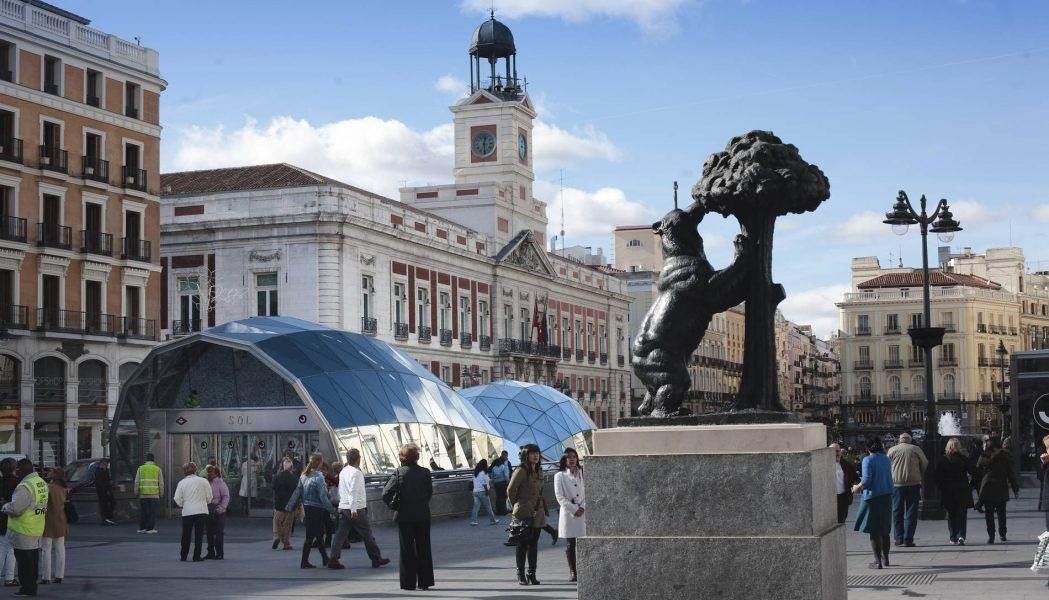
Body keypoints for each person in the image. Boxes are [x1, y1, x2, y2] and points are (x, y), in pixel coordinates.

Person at [328, 449, 390, 570]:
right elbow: (353, 492)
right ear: (358, 459)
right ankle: (376, 558)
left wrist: (343, 504)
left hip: (343, 507)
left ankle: (333, 559)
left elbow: (342, 489)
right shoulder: (356, 473)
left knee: (340, 534)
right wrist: (354, 510)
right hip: (356, 508)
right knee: (367, 534)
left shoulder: (343, 471)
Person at [383, 442, 434, 591]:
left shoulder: (398, 473)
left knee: (407, 550)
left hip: (404, 517)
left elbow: (386, 493)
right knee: (424, 548)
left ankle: (408, 583)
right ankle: (425, 582)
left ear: (402, 457)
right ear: (417, 457)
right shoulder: (425, 472)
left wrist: (395, 506)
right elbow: (429, 493)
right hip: (423, 515)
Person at [1, 458, 48, 597]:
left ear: (21, 470)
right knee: (33, 560)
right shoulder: (40, 482)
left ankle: (27, 589)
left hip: (23, 528)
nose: (16, 472)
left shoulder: (25, 486)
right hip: (36, 526)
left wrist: (4, 506)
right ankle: (32, 586)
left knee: (24, 562)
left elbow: (16, 508)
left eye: (18, 469)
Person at [508, 443, 548, 585]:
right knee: (522, 543)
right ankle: (520, 573)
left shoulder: (539, 470)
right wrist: (518, 506)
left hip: (537, 512)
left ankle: (532, 573)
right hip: (524, 512)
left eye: (537, 453)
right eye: (532, 453)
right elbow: (510, 490)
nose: (536, 455)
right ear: (526, 455)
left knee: (534, 543)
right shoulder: (521, 471)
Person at [285, 452, 334, 569]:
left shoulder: (304, 475)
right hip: (316, 509)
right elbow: (323, 497)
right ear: (320, 463)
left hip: (307, 509)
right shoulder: (319, 477)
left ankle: (323, 558)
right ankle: (308, 561)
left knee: (316, 534)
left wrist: (289, 506)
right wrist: (333, 510)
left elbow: (297, 493)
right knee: (312, 536)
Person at [852, 437, 893, 569]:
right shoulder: (886, 459)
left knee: (874, 531)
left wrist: (856, 488)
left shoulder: (867, 460)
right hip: (887, 496)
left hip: (873, 498)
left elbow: (867, 480)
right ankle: (886, 558)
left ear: (868, 448)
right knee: (885, 530)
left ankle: (877, 562)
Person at [975, 435, 1019, 544]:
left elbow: (977, 471)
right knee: (1001, 513)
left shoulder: (984, 455)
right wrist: (1015, 488)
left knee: (989, 514)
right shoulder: (1004, 455)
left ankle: (991, 536)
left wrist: (977, 484)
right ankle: (1002, 534)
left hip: (988, 488)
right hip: (1001, 487)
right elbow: (1010, 473)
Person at [886, 432, 927, 547]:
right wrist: (918, 473)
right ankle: (908, 539)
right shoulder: (916, 449)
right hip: (913, 484)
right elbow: (925, 463)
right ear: (910, 440)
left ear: (899, 440)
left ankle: (899, 538)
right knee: (911, 512)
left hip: (896, 485)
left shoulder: (892, 450)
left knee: (897, 511)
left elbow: (887, 465)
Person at [934, 437, 974, 545]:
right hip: (962, 490)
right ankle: (961, 536)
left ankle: (953, 537)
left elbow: (937, 477)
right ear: (959, 447)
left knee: (951, 515)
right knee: (961, 514)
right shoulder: (964, 459)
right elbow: (974, 472)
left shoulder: (943, 460)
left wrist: (941, 487)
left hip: (948, 491)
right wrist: (970, 486)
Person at [554, 448, 585, 583]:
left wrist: (583, 507)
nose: (572, 459)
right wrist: (573, 509)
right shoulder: (560, 476)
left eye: (574, 457)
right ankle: (573, 571)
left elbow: (589, 490)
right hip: (569, 513)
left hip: (583, 512)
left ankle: (585, 568)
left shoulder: (583, 472)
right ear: (564, 460)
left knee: (584, 541)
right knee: (570, 543)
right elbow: (559, 496)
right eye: (569, 457)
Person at [173, 462, 213, 562]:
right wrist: (205, 502)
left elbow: (177, 498)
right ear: (195, 470)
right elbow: (209, 497)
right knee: (198, 535)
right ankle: (196, 556)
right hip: (201, 510)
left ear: (184, 472)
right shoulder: (204, 481)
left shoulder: (181, 483)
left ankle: (183, 555)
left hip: (187, 511)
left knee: (186, 534)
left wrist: (183, 504)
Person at [39, 467, 68, 585]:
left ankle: (46, 576)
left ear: (55, 475)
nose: (48, 472)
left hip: (48, 519)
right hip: (61, 519)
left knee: (46, 548)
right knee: (60, 548)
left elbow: (42, 503)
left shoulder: (48, 487)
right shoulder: (64, 488)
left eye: (51, 471)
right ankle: (59, 575)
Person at [0, 458, 19, 587]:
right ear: (14, 468)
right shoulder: (18, 483)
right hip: (12, 519)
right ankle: (9, 577)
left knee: (1, 548)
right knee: (11, 550)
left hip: (0, 518)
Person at [272, 458, 298, 550]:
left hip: (279, 504)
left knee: (277, 522)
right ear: (291, 467)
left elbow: (273, 488)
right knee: (288, 524)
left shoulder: (277, 477)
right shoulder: (294, 478)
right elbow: (297, 492)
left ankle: (278, 537)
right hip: (290, 504)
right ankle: (286, 543)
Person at [204, 465, 230, 560]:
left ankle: (219, 553)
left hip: (218, 509)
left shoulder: (220, 483)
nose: (209, 474)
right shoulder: (206, 482)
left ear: (216, 473)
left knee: (218, 532)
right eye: (208, 472)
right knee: (209, 532)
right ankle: (210, 552)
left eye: (211, 472)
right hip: (208, 509)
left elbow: (226, 496)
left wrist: (222, 508)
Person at [135, 453, 164, 534]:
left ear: (146, 460)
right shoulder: (157, 469)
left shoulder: (140, 468)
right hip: (154, 495)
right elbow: (161, 483)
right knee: (152, 512)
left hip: (143, 495)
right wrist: (161, 494)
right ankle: (150, 529)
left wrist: (136, 492)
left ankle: (142, 528)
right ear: (153, 460)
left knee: (143, 512)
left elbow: (136, 482)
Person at [830, 443, 857, 524]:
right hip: (829, 499)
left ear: (841, 452)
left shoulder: (846, 465)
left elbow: (855, 478)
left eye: (837, 451)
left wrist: (855, 485)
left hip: (842, 498)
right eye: (833, 451)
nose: (836, 453)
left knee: (841, 522)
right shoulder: (823, 465)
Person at [470, 459, 499, 526]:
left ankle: (473, 521)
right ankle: (493, 520)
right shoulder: (483, 473)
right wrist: (486, 491)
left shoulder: (476, 473)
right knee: (488, 506)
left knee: (476, 507)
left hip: (475, 491)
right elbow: (484, 483)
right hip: (482, 491)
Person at [93, 459, 116, 526]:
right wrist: (106, 490)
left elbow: (108, 478)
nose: (107, 465)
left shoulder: (106, 470)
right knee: (104, 505)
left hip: (107, 489)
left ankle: (108, 517)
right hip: (102, 490)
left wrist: (110, 482)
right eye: (106, 464)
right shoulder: (98, 471)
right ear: (102, 464)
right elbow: (99, 482)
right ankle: (105, 519)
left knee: (112, 502)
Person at [490, 452, 511, 516]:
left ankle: (498, 511)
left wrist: (493, 482)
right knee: (503, 497)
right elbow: (506, 475)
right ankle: (503, 511)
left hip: (496, 483)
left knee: (498, 497)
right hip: (503, 483)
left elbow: (491, 475)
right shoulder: (504, 466)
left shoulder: (494, 467)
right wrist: (507, 481)